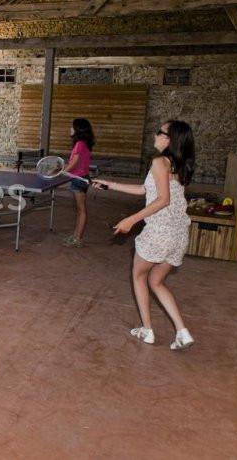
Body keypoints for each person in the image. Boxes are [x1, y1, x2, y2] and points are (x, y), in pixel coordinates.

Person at [93, 120, 195, 350]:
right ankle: (182, 331)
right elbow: (144, 190)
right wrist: (110, 184)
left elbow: (163, 200)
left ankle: (147, 330)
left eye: (160, 132)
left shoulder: (159, 161)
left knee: (139, 277)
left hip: (160, 233)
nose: (155, 135)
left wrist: (131, 219)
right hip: (178, 236)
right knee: (156, 282)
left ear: (169, 139)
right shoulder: (178, 165)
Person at [63, 118, 94, 248]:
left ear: (78, 130)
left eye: (72, 127)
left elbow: (74, 163)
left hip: (79, 179)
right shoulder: (84, 143)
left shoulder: (79, 144)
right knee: (80, 210)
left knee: (81, 210)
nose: (70, 129)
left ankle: (78, 239)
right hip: (82, 178)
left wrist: (60, 172)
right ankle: (76, 235)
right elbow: (76, 163)